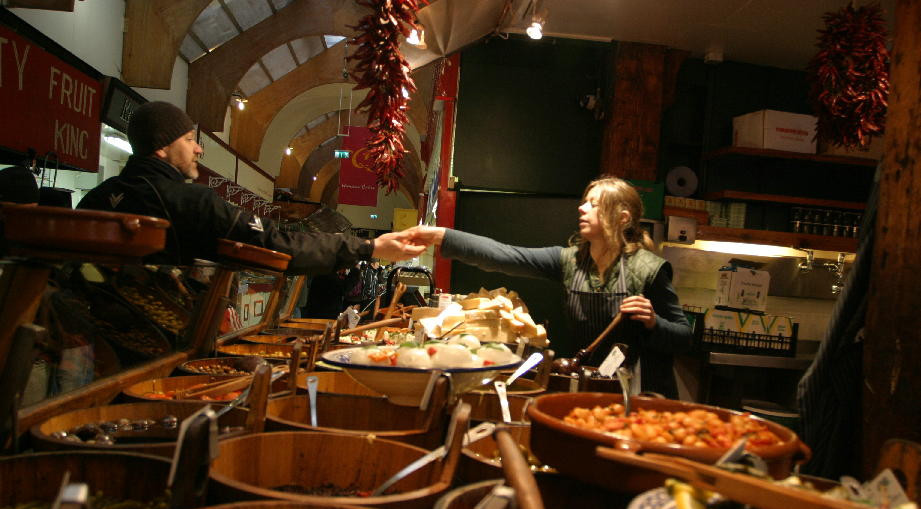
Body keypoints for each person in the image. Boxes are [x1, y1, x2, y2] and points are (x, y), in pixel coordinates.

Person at [404, 176, 692, 397]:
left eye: (593, 203)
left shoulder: (649, 270)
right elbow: (503, 255)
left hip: (640, 396)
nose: (582, 208)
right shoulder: (568, 261)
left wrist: (654, 322)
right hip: (587, 389)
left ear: (622, 217)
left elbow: (683, 338)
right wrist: (441, 236)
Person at [77, 101, 424, 274]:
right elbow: (273, 242)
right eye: (188, 139)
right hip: (166, 343)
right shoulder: (188, 200)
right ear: (161, 147)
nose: (198, 148)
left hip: (95, 342)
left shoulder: (98, 196)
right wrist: (368, 247)